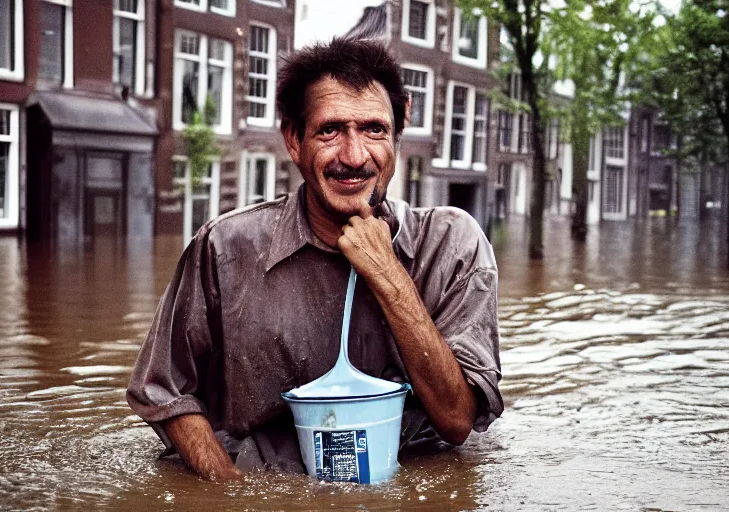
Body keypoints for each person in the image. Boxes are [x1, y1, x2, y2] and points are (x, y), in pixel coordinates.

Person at [127, 38, 503, 481]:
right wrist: (228, 493)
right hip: (269, 483)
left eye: (374, 130)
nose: (354, 156)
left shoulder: (452, 243)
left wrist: (386, 272)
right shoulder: (225, 247)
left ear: (398, 137)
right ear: (293, 140)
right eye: (330, 131)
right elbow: (165, 391)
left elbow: (458, 421)